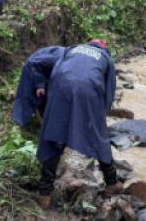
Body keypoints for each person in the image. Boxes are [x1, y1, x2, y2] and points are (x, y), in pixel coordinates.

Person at [35, 40, 123, 208]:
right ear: (104, 49)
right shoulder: (105, 58)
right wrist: (99, 118)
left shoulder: (72, 49)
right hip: (87, 89)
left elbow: (55, 70)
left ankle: (44, 194)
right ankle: (112, 182)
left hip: (60, 87)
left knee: (55, 135)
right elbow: (109, 91)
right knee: (98, 138)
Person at [11, 46, 67, 127]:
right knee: (28, 97)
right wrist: (40, 84)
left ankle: (44, 122)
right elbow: (35, 63)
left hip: (44, 71)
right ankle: (19, 124)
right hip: (33, 68)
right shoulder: (58, 58)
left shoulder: (67, 58)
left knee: (45, 97)